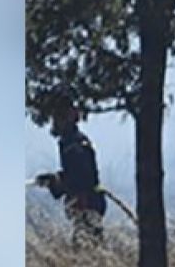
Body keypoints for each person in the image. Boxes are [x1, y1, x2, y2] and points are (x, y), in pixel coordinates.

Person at [33, 98, 106, 242]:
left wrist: (55, 181)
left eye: (60, 116)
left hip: (87, 205)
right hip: (86, 205)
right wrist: (53, 179)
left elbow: (80, 180)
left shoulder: (75, 146)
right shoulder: (70, 142)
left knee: (87, 250)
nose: (56, 121)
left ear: (71, 116)